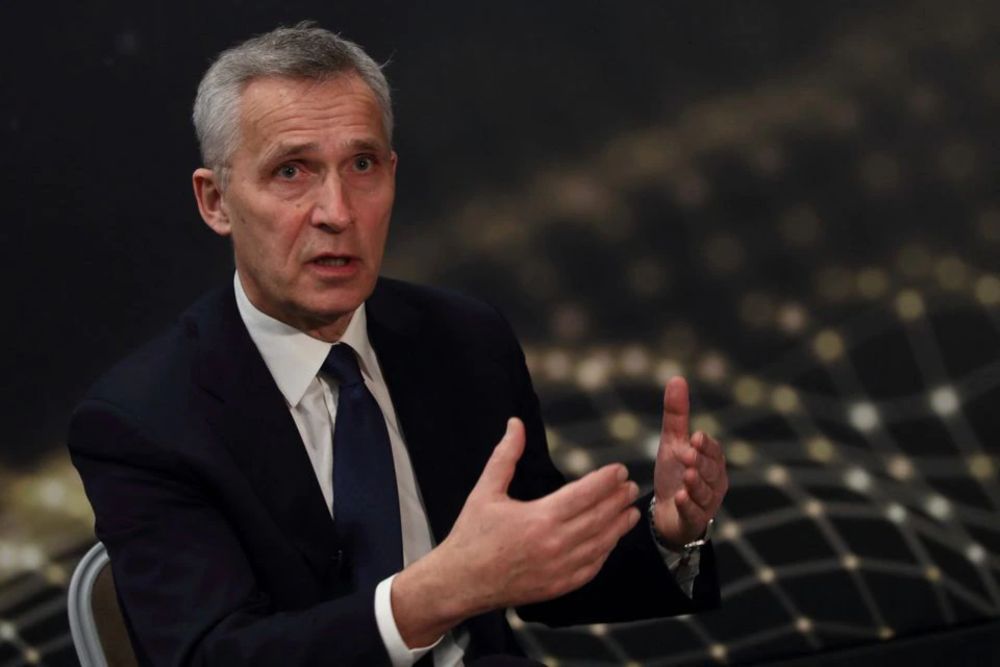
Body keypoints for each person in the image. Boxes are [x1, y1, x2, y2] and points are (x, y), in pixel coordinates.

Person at [68, 23, 728, 666]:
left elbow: (531, 564)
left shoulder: (463, 339)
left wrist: (669, 533)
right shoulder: (144, 421)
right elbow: (216, 653)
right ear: (216, 201)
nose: (338, 210)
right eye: (292, 170)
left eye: (361, 164)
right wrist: (439, 592)